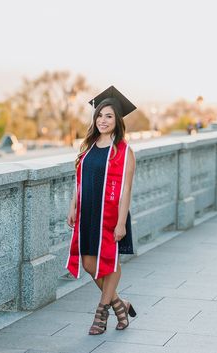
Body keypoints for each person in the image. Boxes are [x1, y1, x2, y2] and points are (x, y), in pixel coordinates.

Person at [66, 86, 137, 335]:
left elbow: (126, 189)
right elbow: (79, 180)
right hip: (88, 214)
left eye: (108, 116)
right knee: (89, 264)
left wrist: (121, 223)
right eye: (99, 115)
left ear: (117, 120)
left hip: (111, 215)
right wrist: (73, 206)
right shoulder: (88, 147)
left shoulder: (125, 151)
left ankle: (102, 312)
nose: (103, 120)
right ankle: (121, 304)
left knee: (109, 260)